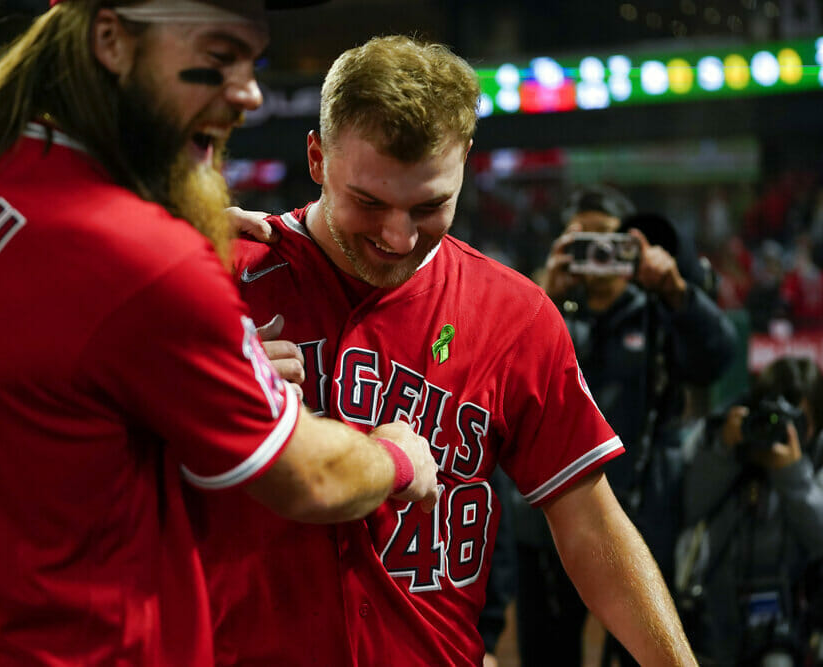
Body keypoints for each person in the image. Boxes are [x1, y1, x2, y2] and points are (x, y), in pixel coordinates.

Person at [0, 0, 443, 664]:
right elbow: (313, 477)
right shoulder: (138, 260)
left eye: (251, 60)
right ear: (110, 41)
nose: (247, 93)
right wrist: (396, 455)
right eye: (218, 56)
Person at [198, 35, 697, 666]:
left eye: (430, 205)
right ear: (317, 158)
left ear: (465, 159)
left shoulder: (515, 315)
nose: (398, 236)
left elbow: (590, 524)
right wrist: (207, 390)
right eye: (369, 202)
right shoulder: (220, 276)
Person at [505, 185, 737, 666]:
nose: (600, 255)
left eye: (611, 242)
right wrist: (543, 291)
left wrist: (675, 291)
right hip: (548, 516)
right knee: (548, 651)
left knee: (640, 649)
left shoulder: (658, 310)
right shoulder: (541, 309)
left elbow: (716, 358)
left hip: (643, 510)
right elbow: (496, 374)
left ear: (635, 247)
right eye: (582, 242)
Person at [677, 356, 823, 666]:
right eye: (771, 418)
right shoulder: (724, 441)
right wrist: (724, 451)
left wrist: (793, 474)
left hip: (789, 619)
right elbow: (688, 507)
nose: (781, 432)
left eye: (796, 421)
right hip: (715, 612)